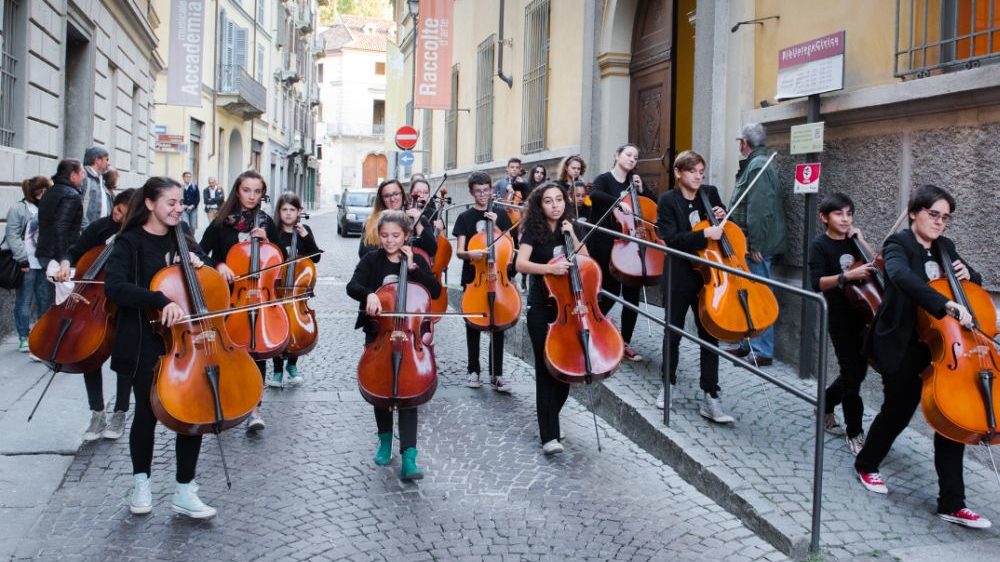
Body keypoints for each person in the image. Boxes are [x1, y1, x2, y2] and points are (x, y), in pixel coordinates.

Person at [853, 185, 991, 529]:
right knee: (898, 411)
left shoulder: (946, 247)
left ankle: (952, 503)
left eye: (945, 217)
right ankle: (867, 464)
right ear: (915, 213)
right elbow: (900, 276)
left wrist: (968, 275)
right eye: (934, 214)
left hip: (944, 348)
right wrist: (943, 303)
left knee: (951, 419)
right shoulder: (899, 244)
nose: (940, 222)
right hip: (903, 342)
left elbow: (973, 283)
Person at [104, 176, 215, 519]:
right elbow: (115, 287)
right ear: (150, 204)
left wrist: (200, 264)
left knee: (192, 412)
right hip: (144, 340)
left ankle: (185, 489)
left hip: (186, 341)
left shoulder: (184, 238)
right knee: (148, 411)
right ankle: (141, 482)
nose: (178, 209)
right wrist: (158, 299)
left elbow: (206, 283)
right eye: (171, 202)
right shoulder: (129, 242)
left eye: (180, 203)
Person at [347, 210, 441, 481]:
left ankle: (410, 455)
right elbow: (352, 286)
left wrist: (414, 269)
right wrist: (369, 295)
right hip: (380, 334)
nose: (389, 241)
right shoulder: (371, 260)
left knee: (411, 392)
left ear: (406, 236)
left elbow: (433, 291)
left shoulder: (415, 262)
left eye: (396, 236)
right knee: (381, 389)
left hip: (410, 338)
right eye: (385, 235)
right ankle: (385, 441)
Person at [654, 151, 734, 423]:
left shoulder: (709, 194)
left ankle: (710, 395)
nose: (698, 176)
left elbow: (725, 229)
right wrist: (704, 235)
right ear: (678, 173)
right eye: (692, 171)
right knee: (672, 332)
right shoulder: (667, 200)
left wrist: (722, 218)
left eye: (701, 171)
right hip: (679, 274)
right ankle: (667, 385)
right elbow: (671, 239)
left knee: (710, 335)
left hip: (709, 276)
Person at [199, 170, 280, 432]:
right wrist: (219, 264)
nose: (252, 196)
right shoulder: (222, 221)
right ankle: (226, 400)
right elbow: (199, 252)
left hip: (257, 297)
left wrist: (269, 242)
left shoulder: (266, 221)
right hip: (228, 297)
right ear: (238, 190)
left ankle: (255, 408)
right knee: (227, 349)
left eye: (257, 191)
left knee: (257, 350)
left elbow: (283, 257)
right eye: (247, 190)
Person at [515, 182, 588, 454]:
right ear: (539, 205)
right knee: (546, 371)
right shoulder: (533, 232)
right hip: (542, 309)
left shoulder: (572, 228)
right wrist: (549, 269)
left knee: (566, 372)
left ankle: (550, 417)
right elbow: (520, 264)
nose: (555, 205)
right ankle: (548, 435)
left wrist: (574, 236)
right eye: (548, 201)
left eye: (559, 200)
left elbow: (587, 262)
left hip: (569, 309)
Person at [808, 192, 874, 455]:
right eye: (839, 213)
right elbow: (817, 282)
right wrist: (846, 276)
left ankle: (825, 401)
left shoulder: (852, 241)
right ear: (824, 217)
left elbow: (874, 265)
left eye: (849, 213)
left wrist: (861, 240)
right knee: (852, 374)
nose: (845, 219)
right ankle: (855, 432)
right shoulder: (820, 245)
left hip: (865, 313)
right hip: (839, 315)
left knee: (857, 372)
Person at [67, 188, 136, 440]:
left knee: (123, 361)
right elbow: (76, 251)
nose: (119, 218)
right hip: (94, 305)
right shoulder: (99, 227)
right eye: (117, 211)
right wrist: (66, 262)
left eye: (125, 215)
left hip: (122, 306)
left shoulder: (136, 235)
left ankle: (119, 413)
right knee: (89, 356)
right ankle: (97, 413)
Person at [724, 123, 787, 366]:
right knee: (747, 293)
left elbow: (760, 210)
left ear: (745, 143)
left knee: (759, 295)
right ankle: (746, 343)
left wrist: (755, 245)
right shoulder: (754, 164)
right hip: (747, 242)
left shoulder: (758, 165)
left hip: (755, 244)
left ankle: (762, 350)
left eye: (740, 141)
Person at [453, 171, 515, 391]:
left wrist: (498, 225)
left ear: (491, 190)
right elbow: (460, 251)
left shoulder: (500, 214)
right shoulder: (465, 218)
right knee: (473, 325)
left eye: (486, 190)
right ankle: (473, 370)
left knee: (498, 325)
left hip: (498, 278)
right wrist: (472, 255)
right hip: (474, 278)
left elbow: (510, 248)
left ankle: (496, 374)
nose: (482, 195)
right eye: (478, 191)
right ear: (471, 192)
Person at [587, 143, 647, 362]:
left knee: (632, 295)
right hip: (606, 244)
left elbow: (651, 205)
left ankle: (625, 342)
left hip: (630, 244)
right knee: (609, 291)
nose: (632, 159)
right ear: (617, 155)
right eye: (629, 154)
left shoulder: (634, 182)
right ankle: (593, 328)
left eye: (636, 157)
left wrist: (642, 191)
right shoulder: (604, 179)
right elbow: (594, 195)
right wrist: (618, 202)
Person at [268, 192, 322, 387]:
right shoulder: (273, 231)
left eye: (292, 209)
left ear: (299, 211)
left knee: (295, 328)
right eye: (284, 209)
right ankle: (276, 370)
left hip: (297, 293)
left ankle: (292, 365)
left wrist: (305, 237)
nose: (288, 214)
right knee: (277, 329)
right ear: (279, 211)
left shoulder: (304, 230)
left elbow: (315, 257)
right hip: (277, 290)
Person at [4, 176, 50, 351]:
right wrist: (22, 258)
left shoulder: (47, 209)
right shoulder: (19, 209)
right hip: (27, 264)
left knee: (44, 301)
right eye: (46, 190)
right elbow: (12, 235)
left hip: (44, 263)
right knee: (24, 301)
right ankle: (23, 336)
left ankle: (42, 335)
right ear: (40, 191)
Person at [36, 159, 86, 306]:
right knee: (59, 303)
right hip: (58, 255)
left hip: (45, 252)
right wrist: (64, 258)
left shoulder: (50, 192)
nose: (82, 177)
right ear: (73, 175)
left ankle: (44, 327)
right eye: (81, 173)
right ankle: (50, 328)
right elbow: (61, 228)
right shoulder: (71, 195)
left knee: (47, 299)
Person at [359, 179, 437, 259]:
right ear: (381, 199)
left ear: (402, 195)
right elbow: (364, 254)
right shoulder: (372, 222)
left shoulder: (417, 218)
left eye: (396, 194)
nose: (392, 199)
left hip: (413, 270)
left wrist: (418, 223)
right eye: (387, 196)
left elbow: (432, 250)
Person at [80, 146, 112, 230]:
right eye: (107, 159)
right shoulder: (84, 178)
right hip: (88, 233)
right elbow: (79, 207)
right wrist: (86, 230)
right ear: (98, 160)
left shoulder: (100, 179)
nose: (109, 163)